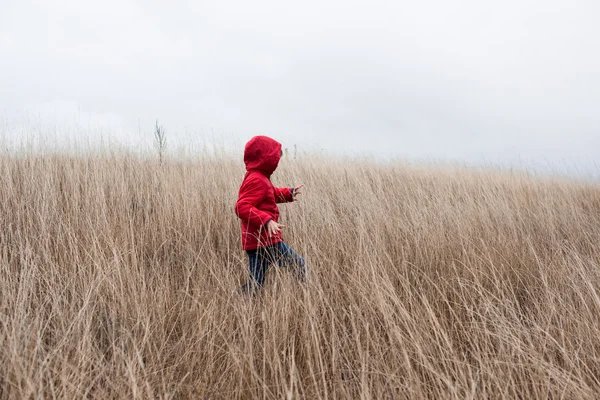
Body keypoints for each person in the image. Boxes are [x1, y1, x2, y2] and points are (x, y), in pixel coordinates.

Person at [234, 136, 307, 293]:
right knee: (299, 264)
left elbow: (269, 194)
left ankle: (239, 300)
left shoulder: (259, 177)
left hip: (258, 241)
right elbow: (241, 206)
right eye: (275, 156)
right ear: (265, 158)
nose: (278, 159)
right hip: (264, 241)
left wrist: (288, 193)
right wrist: (266, 221)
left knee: (256, 283)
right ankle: (306, 293)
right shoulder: (257, 179)